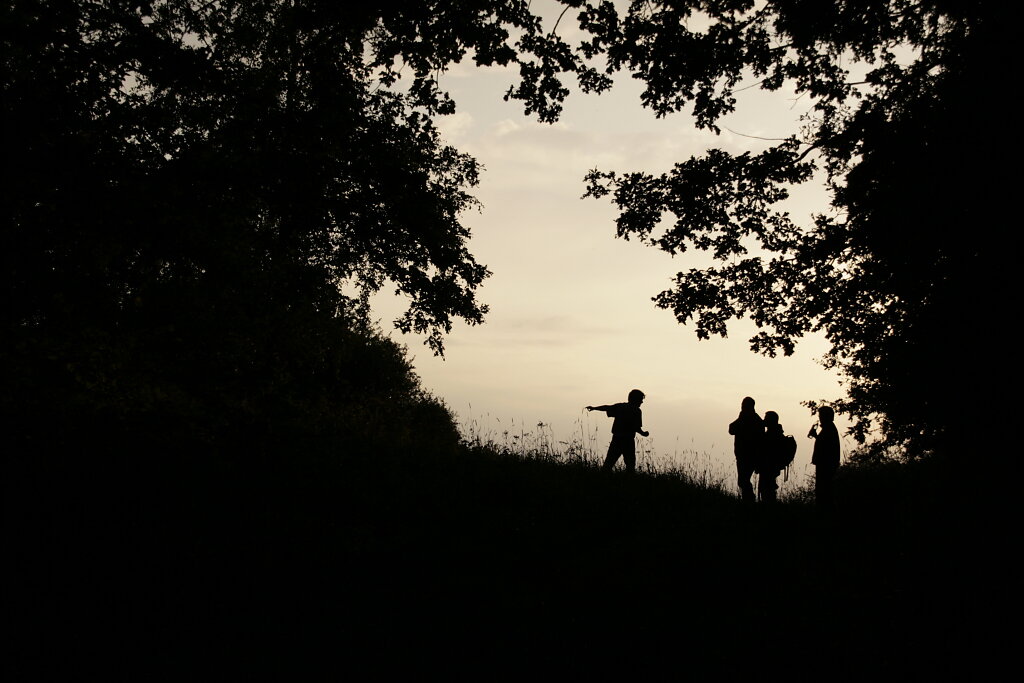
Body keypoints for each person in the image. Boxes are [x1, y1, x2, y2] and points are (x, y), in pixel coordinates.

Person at [586, 389, 649, 473]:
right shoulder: (636, 411)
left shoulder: (620, 407)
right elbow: (636, 427)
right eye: (640, 399)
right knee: (630, 466)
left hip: (617, 439)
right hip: (628, 441)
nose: (641, 402)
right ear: (635, 399)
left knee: (608, 463)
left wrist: (594, 408)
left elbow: (607, 407)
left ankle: (602, 478)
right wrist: (643, 433)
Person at [728, 397, 763, 502]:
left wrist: (741, 418)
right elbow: (732, 429)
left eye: (744, 405)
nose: (742, 407)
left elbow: (732, 429)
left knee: (743, 481)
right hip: (744, 455)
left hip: (748, 456)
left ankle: (749, 501)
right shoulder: (756, 420)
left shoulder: (749, 419)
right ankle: (748, 500)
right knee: (743, 480)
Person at [808, 406, 841, 508]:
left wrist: (815, 436)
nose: (819, 418)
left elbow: (825, 446)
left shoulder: (829, 429)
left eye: (821, 415)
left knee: (824, 490)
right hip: (826, 464)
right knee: (825, 490)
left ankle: (824, 511)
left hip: (825, 465)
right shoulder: (829, 428)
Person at [757, 411, 787, 503]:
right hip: (770, 467)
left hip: (769, 466)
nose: (764, 420)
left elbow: (767, 452)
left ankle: (770, 508)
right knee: (767, 489)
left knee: (767, 489)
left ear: (771, 421)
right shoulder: (775, 432)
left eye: (766, 419)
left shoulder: (773, 434)